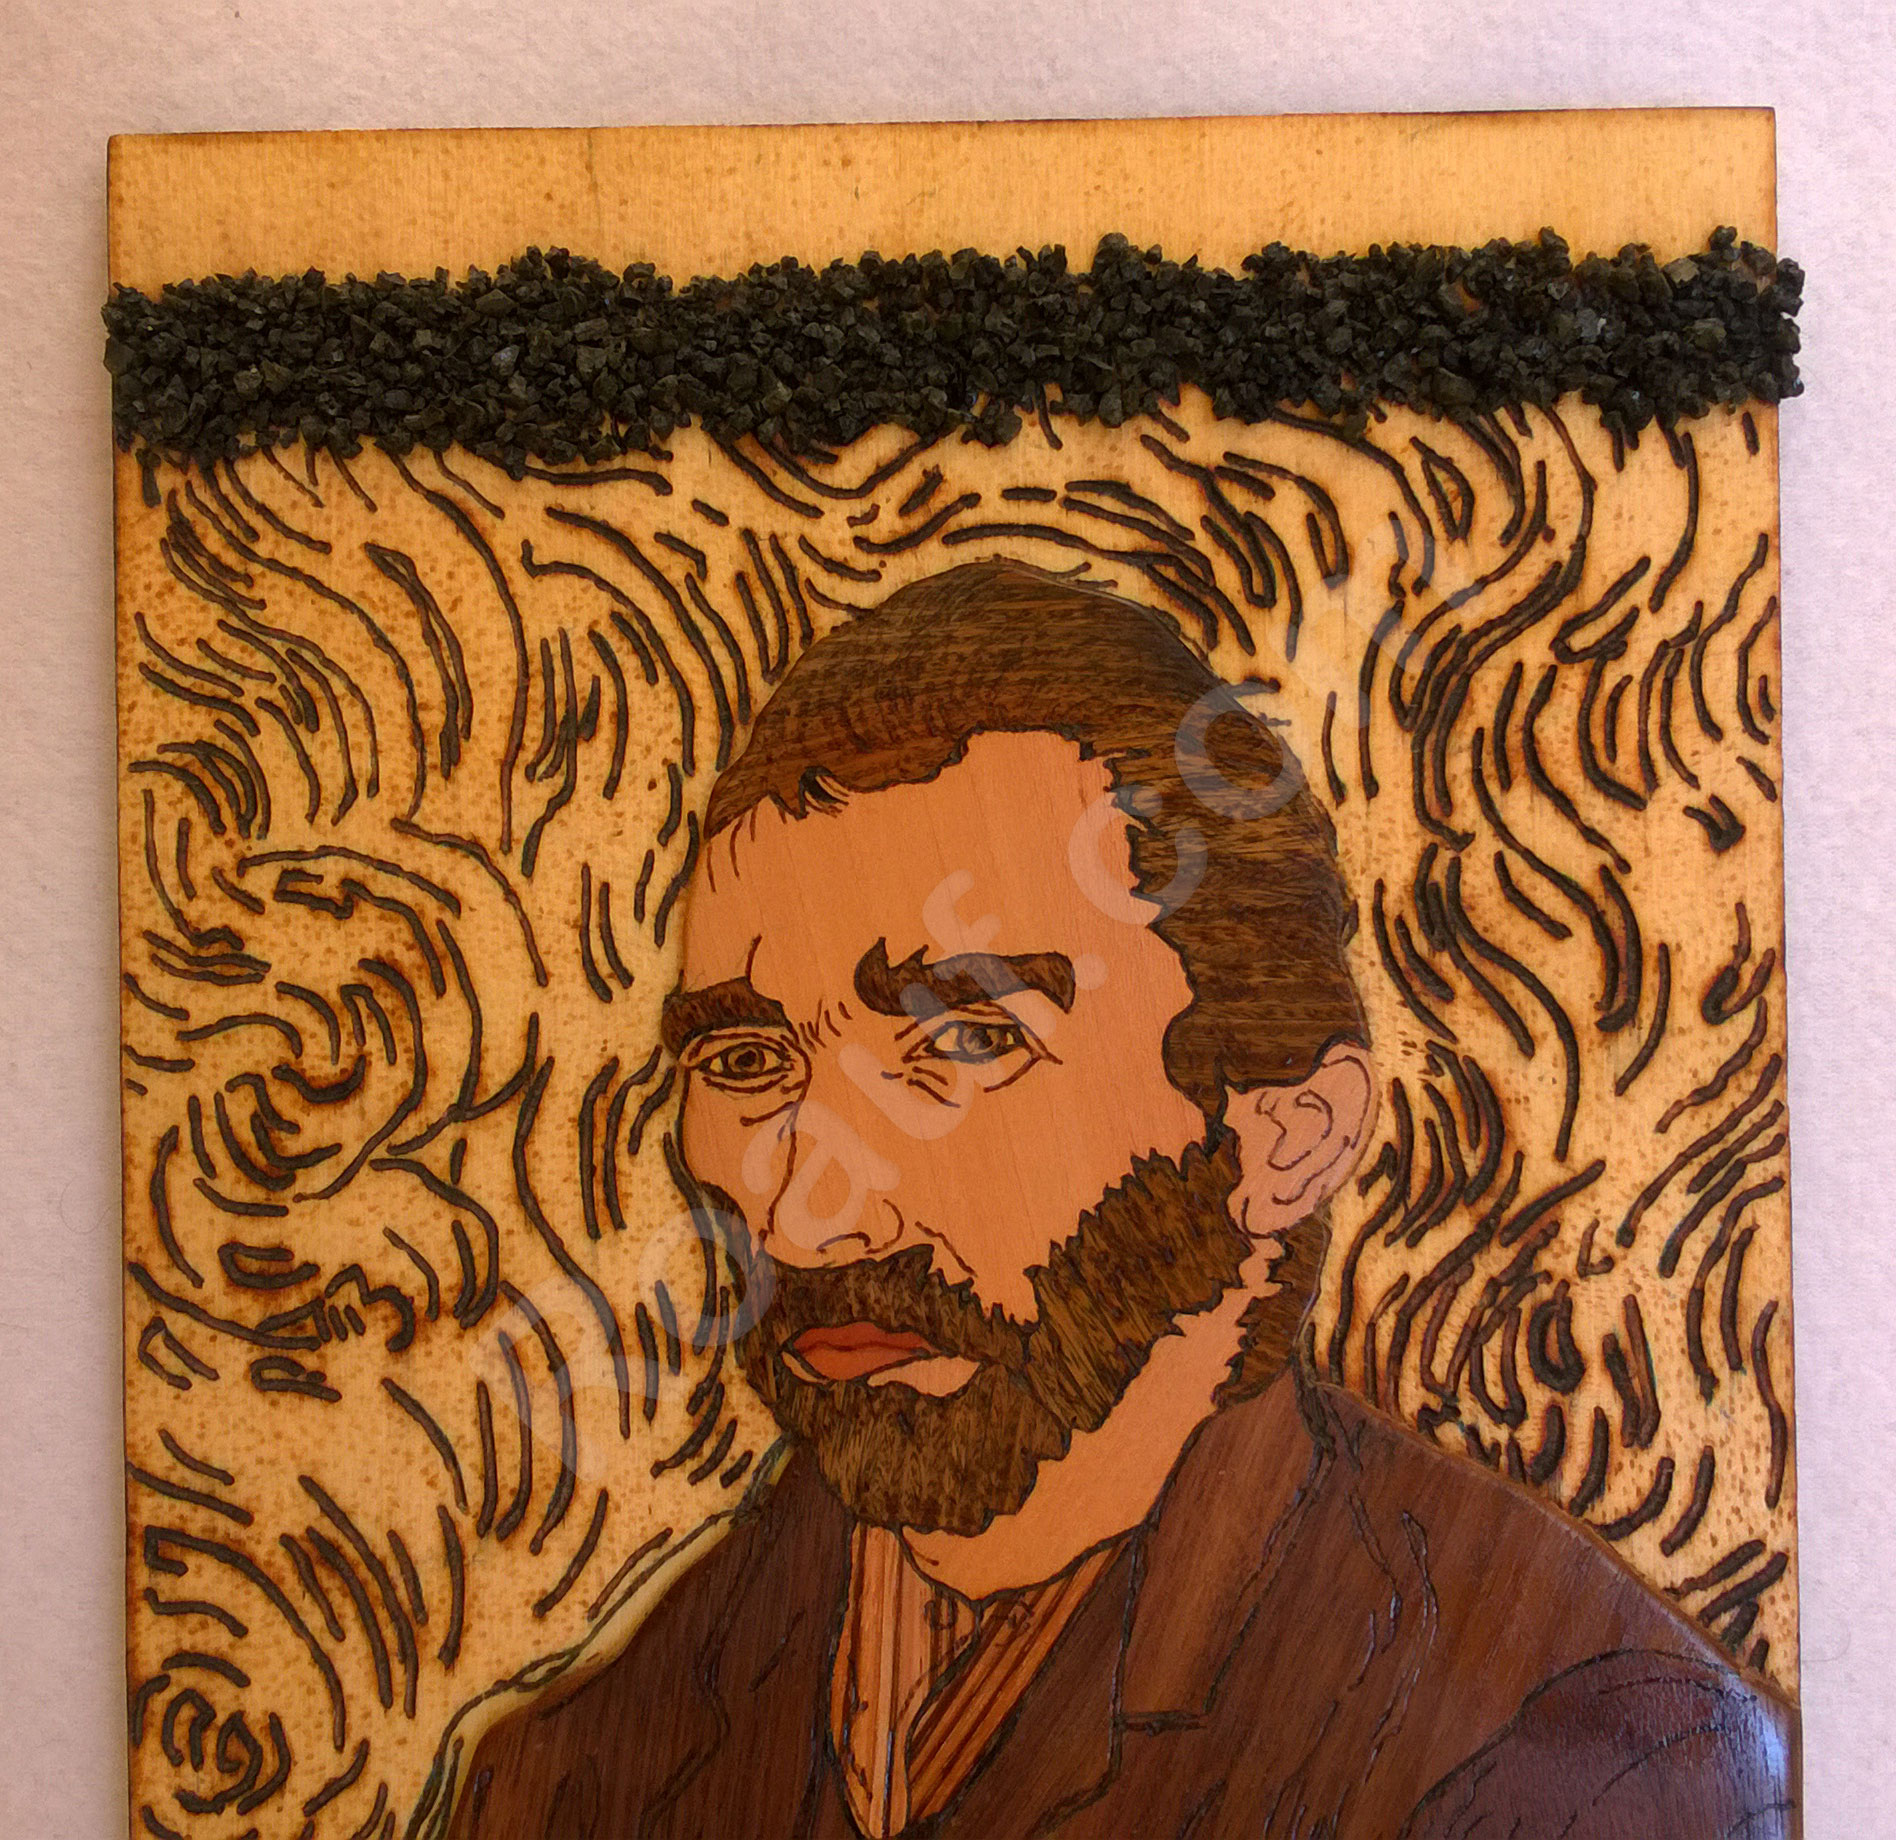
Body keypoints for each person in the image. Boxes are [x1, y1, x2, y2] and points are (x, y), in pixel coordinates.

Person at [451, 563, 1796, 1838]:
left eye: (967, 1040)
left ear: (1285, 1138)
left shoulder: (1593, 1768)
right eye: (748, 1063)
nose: (806, 1217)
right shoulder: (572, 1776)